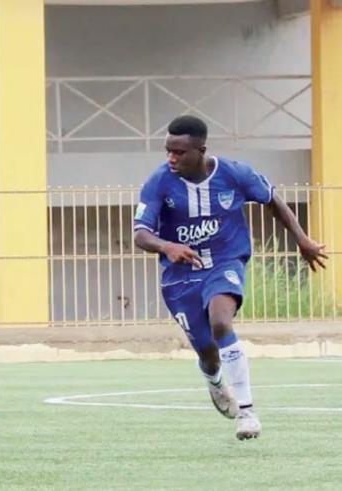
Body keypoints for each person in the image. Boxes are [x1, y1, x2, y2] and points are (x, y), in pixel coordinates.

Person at [133, 115, 328, 440]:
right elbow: (140, 234)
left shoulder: (235, 174)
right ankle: (213, 379)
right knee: (208, 353)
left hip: (225, 262)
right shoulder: (159, 182)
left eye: (179, 152)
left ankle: (248, 413)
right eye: (168, 151)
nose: (171, 158)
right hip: (180, 278)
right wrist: (167, 246)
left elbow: (273, 201)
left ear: (201, 151)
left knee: (221, 322)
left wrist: (302, 239)